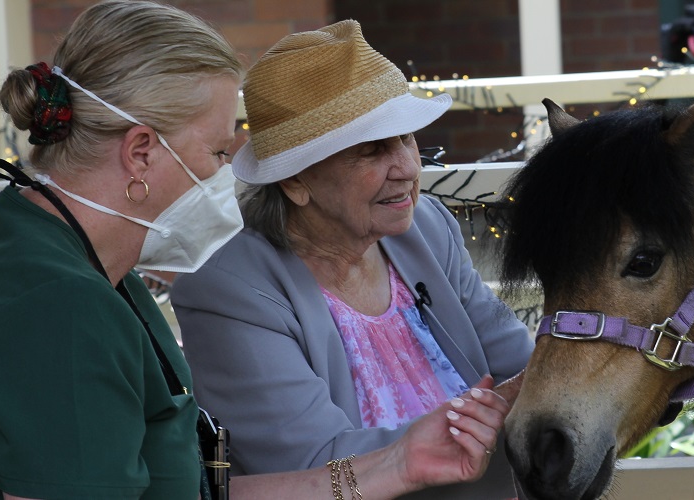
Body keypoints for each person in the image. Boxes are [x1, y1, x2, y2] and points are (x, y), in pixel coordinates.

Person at [0, 2, 508, 499]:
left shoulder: (81, 266)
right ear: (141, 154)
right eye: (221, 154)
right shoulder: (54, 306)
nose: (235, 181)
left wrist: (397, 462)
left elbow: (196, 488)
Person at [170, 20, 534, 499]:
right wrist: (486, 415)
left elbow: (519, 367)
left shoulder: (424, 228)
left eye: (407, 139)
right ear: (295, 181)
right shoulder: (228, 284)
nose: (406, 168)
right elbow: (313, 466)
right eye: (371, 151)